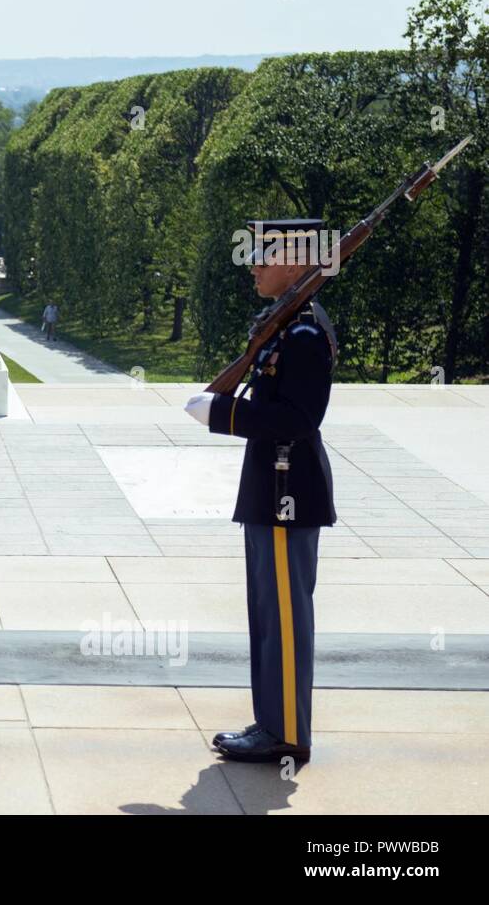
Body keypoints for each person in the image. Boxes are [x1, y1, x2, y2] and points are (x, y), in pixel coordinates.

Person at [185, 218, 337, 765]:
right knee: (268, 615)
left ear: (296, 265)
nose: (253, 266)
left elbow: (297, 417)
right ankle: (273, 721)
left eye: (264, 257)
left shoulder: (303, 335)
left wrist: (224, 413)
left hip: (286, 489)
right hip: (271, 487)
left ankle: (287, 732)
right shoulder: (285, 326)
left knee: (285, 620)